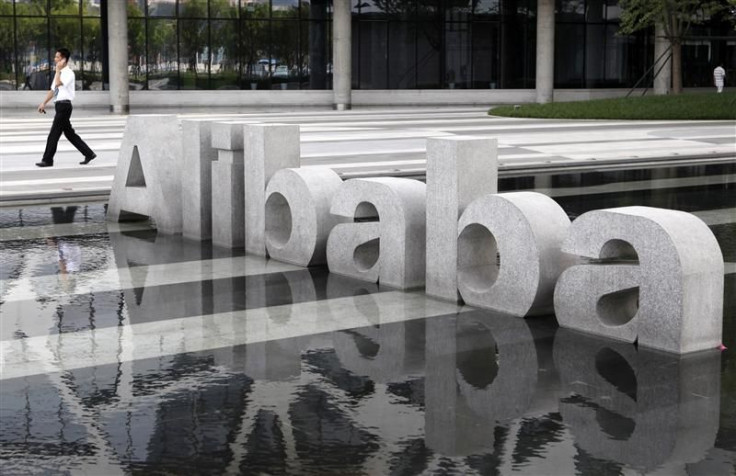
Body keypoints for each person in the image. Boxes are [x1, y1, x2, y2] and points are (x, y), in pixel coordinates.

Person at [35, 48, 96, 168]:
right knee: (69, 134)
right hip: (59, 105)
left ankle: (47, 160)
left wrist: (57, 70)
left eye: (57, 57)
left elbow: (58, 83)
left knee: (54, 133)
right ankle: (89, 153)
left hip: (65, 106)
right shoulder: (60, 72)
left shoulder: (68, 73)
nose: (54, 59)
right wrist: (44, 103)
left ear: (63, 60)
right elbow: (53, 90)